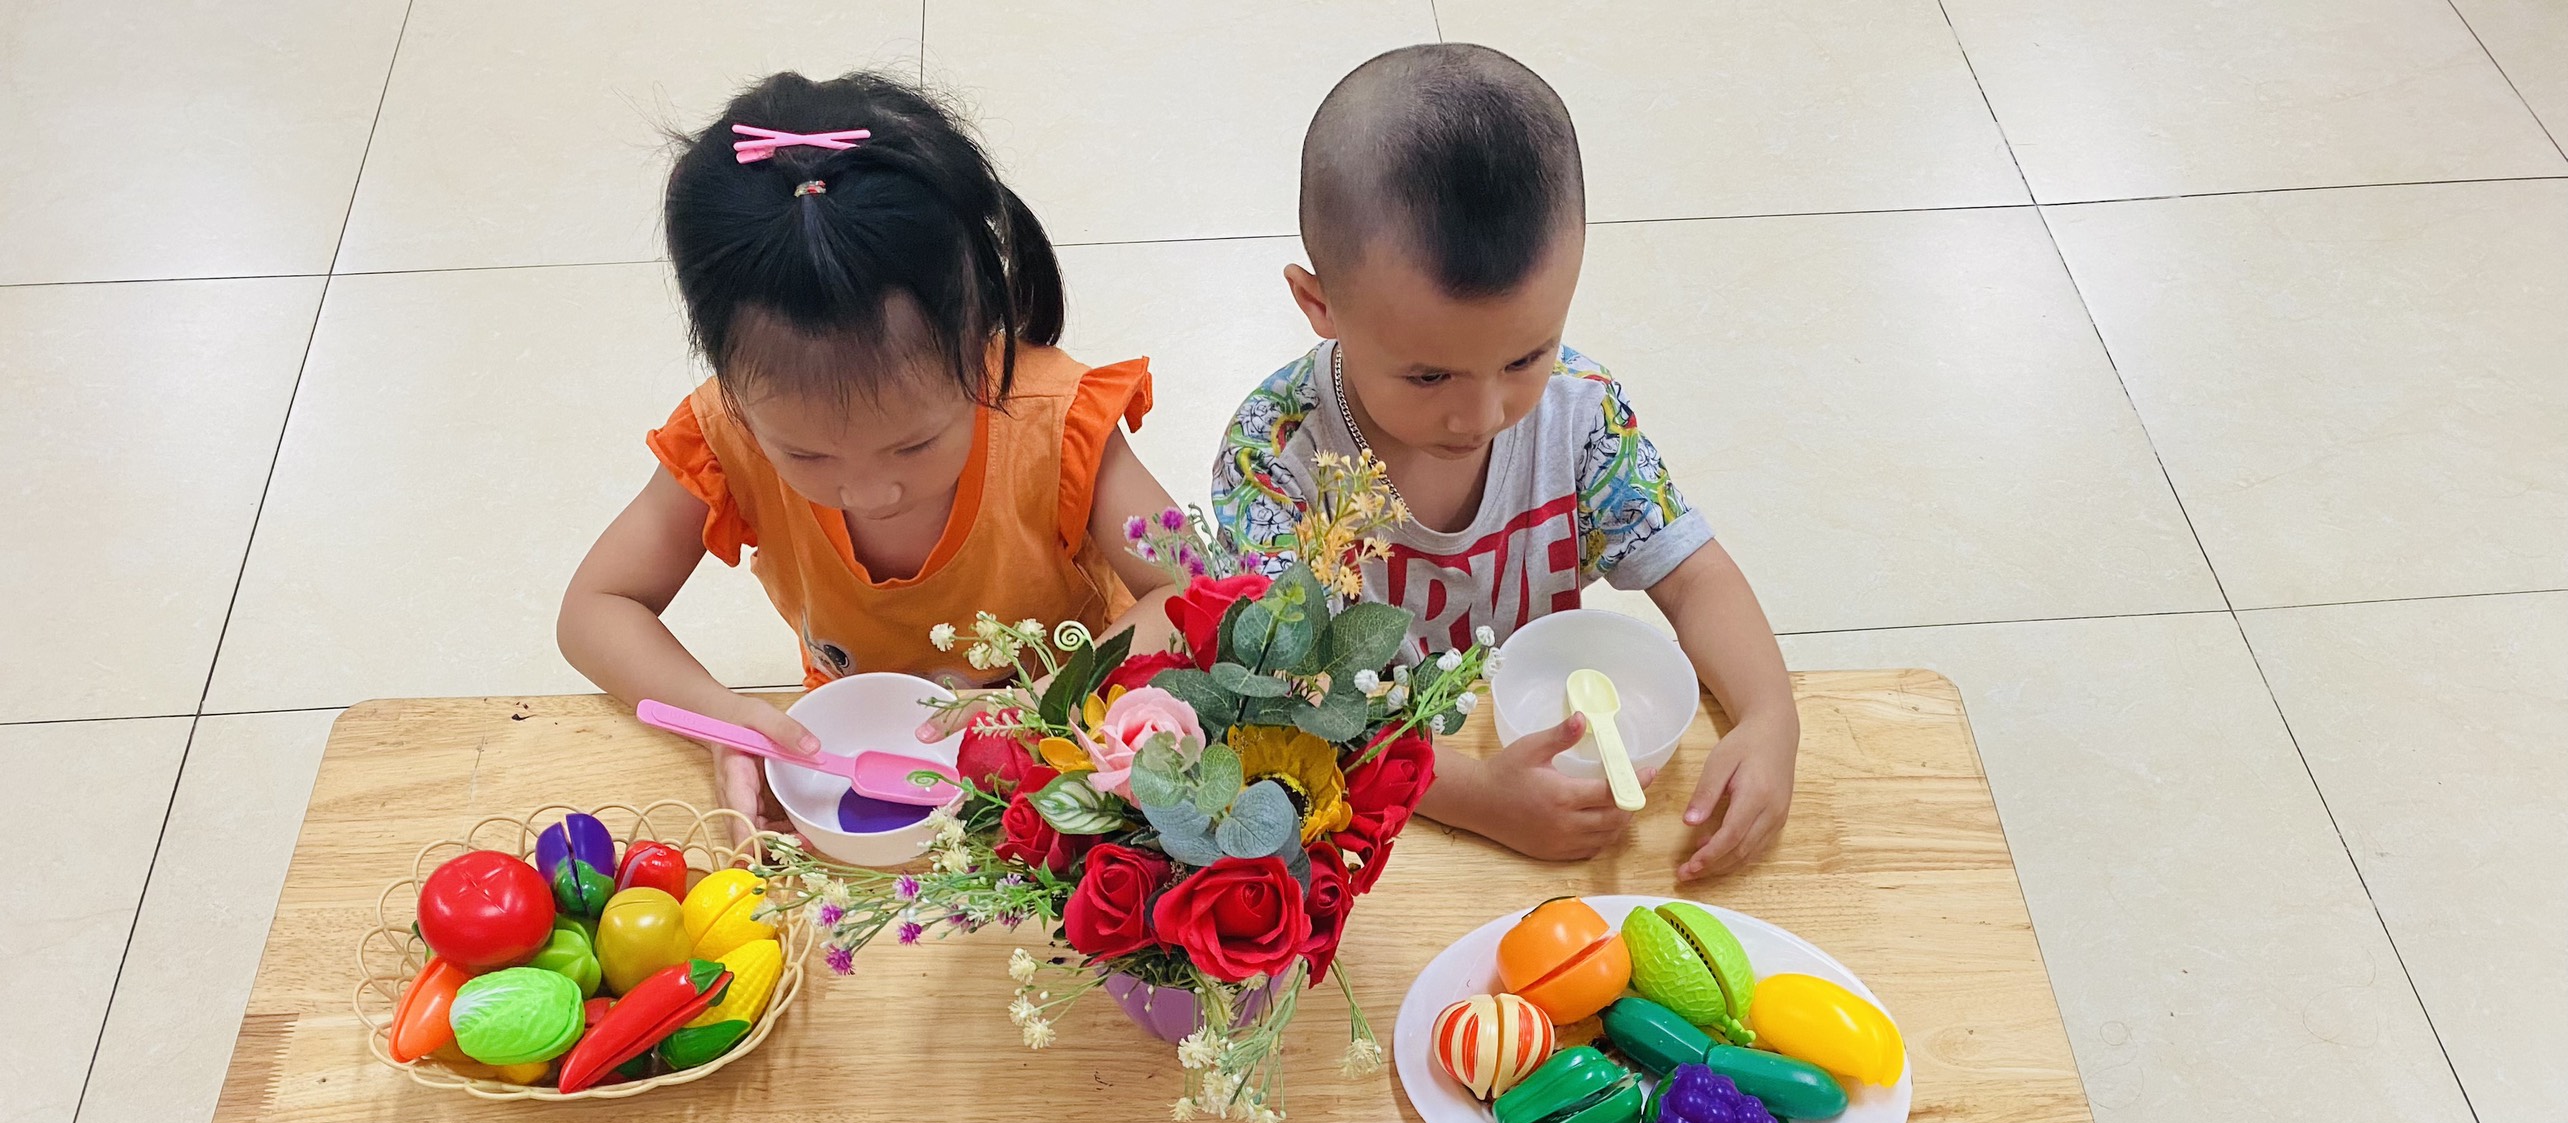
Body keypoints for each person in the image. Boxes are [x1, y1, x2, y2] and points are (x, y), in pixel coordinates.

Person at [1214, 45, 1799, 879]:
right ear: (1320, 303)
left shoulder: (1580, 413)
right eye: (1429, 376)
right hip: (1385, 825)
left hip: (1544, 773)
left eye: (1526, 356)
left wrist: (1770, 719)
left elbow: (1695, 576)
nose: (1483, 415)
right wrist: (1477, 798)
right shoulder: (1276, 460)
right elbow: (1283, 702)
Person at [560, 70, 1185, 830]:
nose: (869, 493)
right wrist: (719, 718)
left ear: (978, 341)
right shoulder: (727, 436)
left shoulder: (1055, 423)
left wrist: (1047, 705)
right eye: (807, 458)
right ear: (734, 385)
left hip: (1072, 751)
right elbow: (595, 610)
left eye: (913, 445)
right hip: (852, 756)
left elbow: (1194, 596)